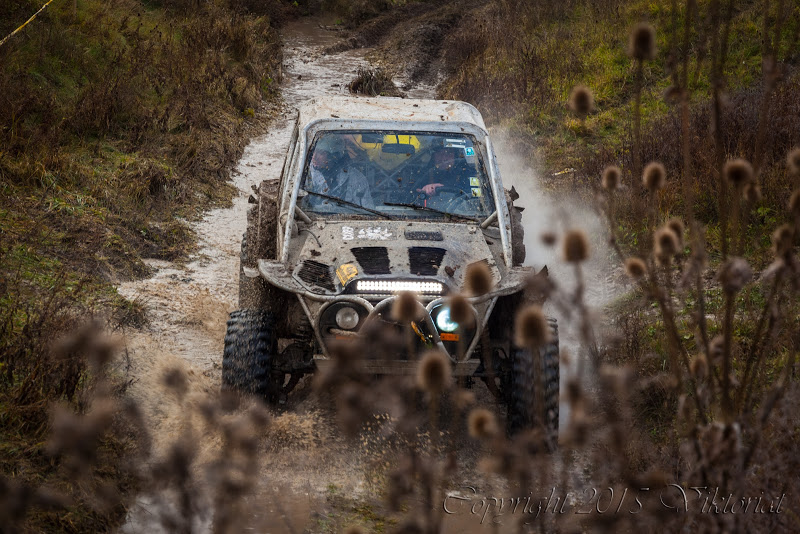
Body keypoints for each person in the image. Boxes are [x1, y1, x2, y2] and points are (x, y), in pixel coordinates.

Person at [306, 143, 375, 210]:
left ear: (333, 156)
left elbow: (367, 211)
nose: (314, 157)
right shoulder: (305, 174)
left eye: (321, 153)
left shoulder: (356, 178)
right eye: (313, 151)